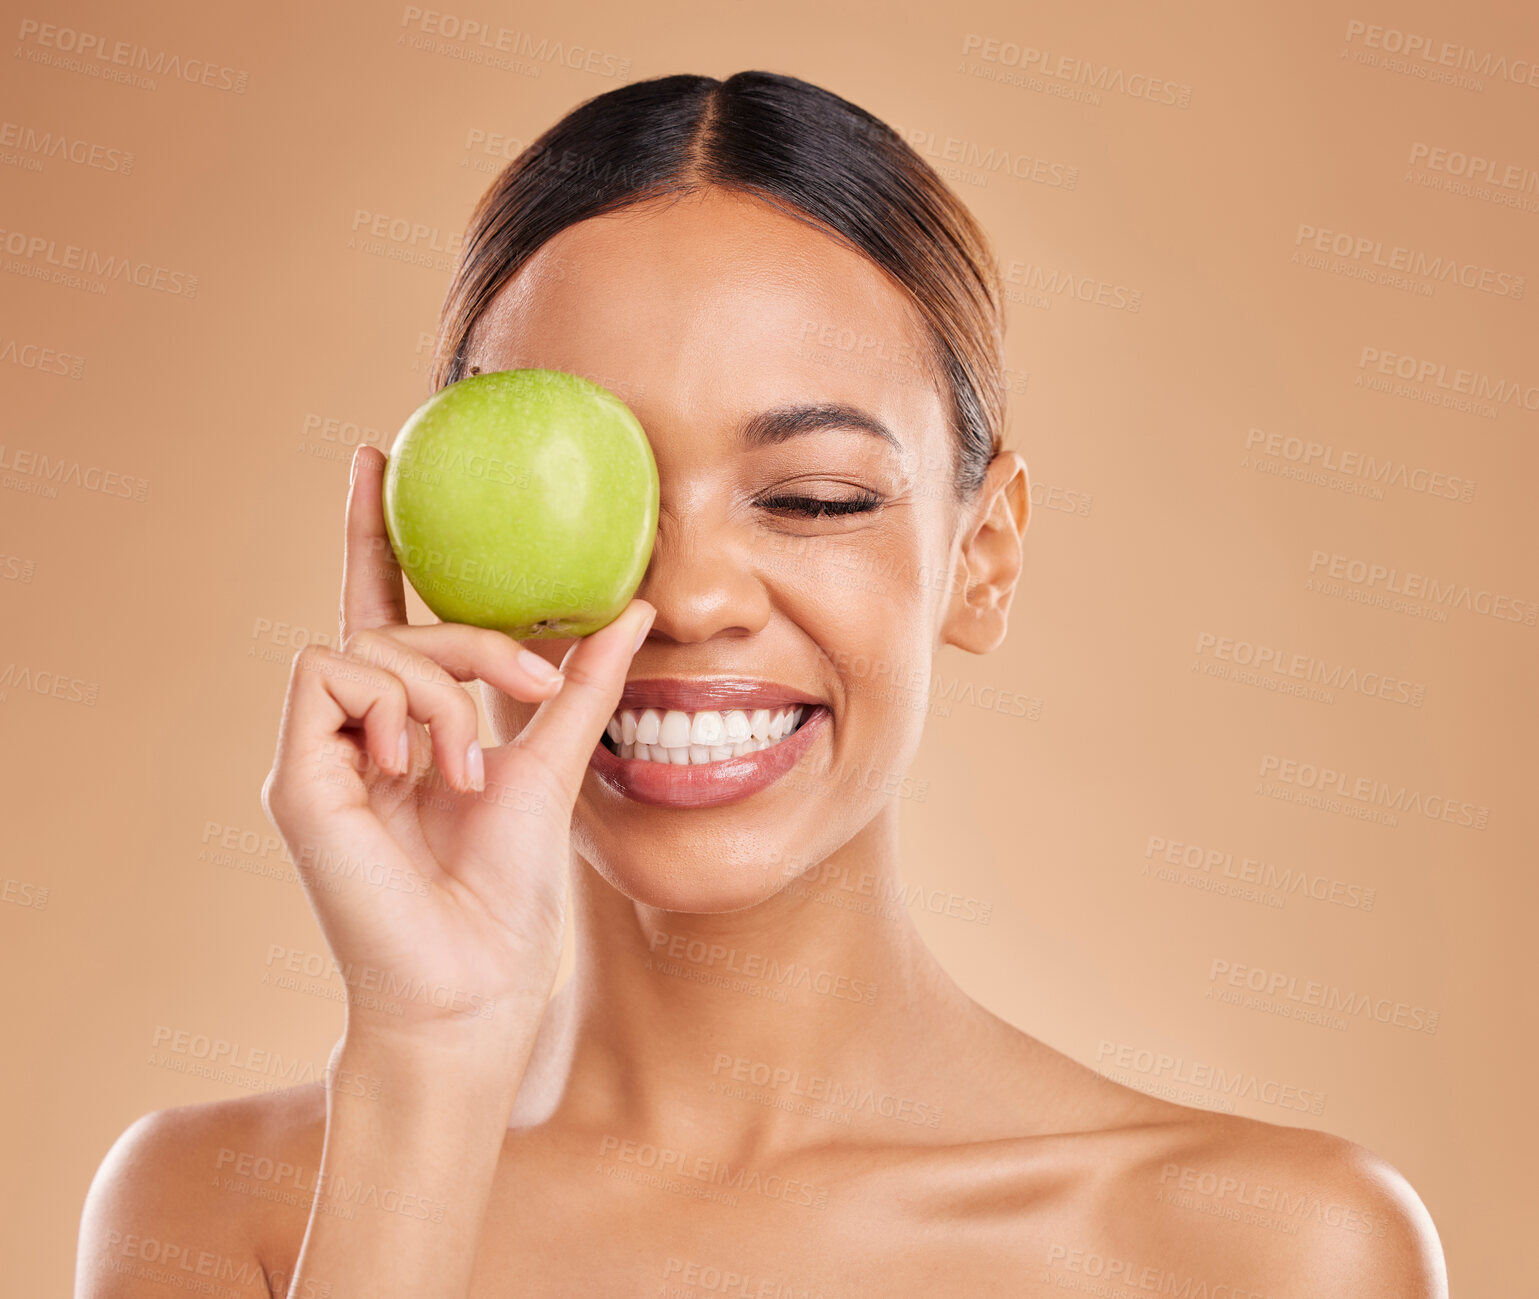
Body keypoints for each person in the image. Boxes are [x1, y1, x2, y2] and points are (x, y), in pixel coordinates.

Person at [75, 71, 1447, 1297]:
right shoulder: (216, 1217)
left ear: (985, 556)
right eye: (586, 500)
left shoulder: (1269, 1255)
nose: (688, 599)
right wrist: (430, 1062)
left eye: (812, 496)